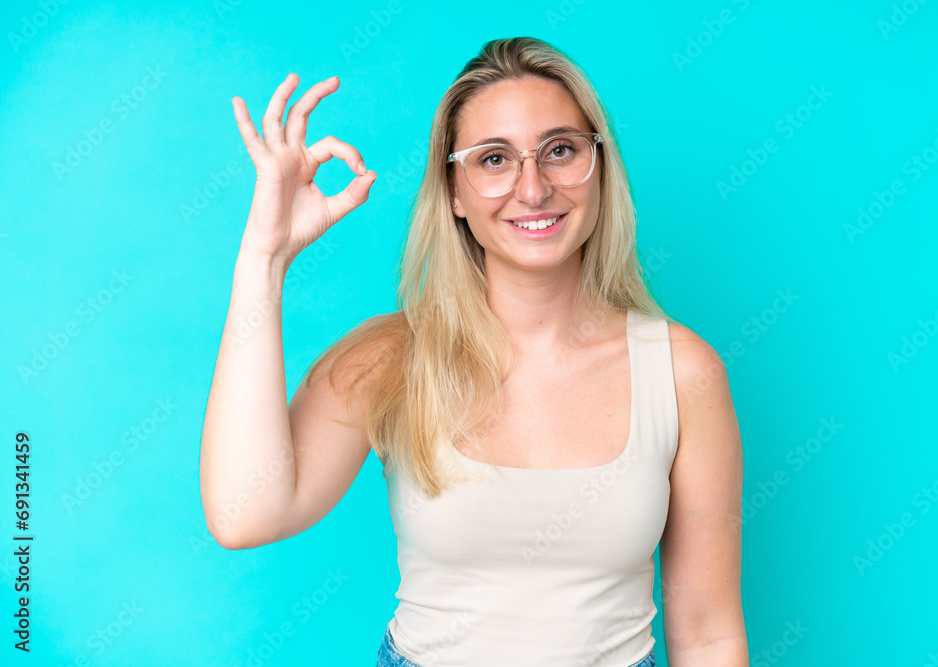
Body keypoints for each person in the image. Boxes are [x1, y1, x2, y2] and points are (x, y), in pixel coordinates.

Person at [199, 36, 749, 667]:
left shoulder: (684, 374)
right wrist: (263, 260)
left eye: (560, 150)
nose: (533, 187)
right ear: (454, 192)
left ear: (600, 169)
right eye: (494, 160)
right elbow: (244, 515)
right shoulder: (390, 360)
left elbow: (708, 632)